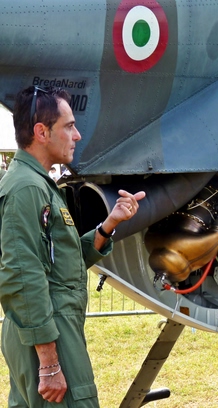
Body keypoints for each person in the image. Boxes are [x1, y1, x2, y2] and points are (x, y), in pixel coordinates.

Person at [0, 85, 146, 407]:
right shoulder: (27, 189)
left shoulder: (37, 184)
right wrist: (49, 362)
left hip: (43, 329)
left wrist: (109, 225)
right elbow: (22, 276)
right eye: (68, 126)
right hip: (48, 333)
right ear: (41, 132)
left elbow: (59, 262)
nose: (77, 136)